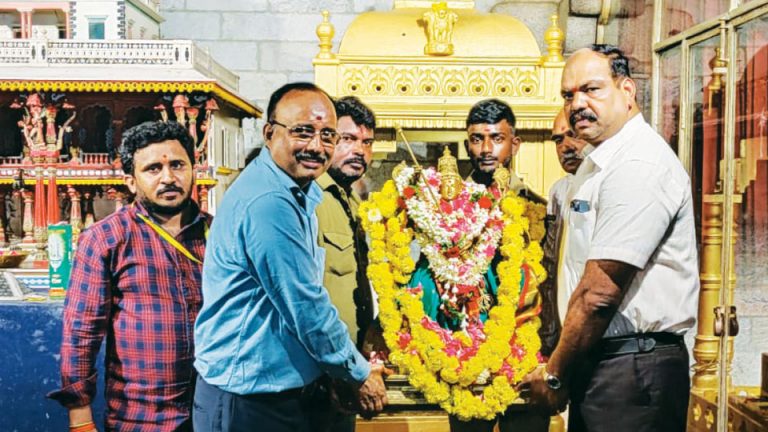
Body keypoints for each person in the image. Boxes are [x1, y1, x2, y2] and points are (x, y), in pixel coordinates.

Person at [519, 45, 699, 432]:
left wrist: (554, 374)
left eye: (592, 89)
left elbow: (599, 295)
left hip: (632, 369)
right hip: (602, 361)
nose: (577, 103)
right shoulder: (598, 164)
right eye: (568, 94)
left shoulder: (639, 164)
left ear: (627, 91)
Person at [193, 82, 388, 432]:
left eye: (328, 135)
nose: (316, 146)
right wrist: (358, 373)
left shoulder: (299, 192)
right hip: (249, 399)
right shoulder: (270, 201)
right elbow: (306, 305)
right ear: (270, 133)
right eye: (303, 132)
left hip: (280, 392)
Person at [48, 121, 210, 431]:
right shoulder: (106, 239)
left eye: (178, 165)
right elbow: (81, 332)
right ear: (131, 182)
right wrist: (80, 420)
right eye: (153, 169)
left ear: (193, 169)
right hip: (140, 418)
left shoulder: (218, 233)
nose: (168, 177)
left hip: (213, 412)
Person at [408, 99, 550, 432]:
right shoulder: (445, 207)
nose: (486, 148)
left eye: (496, 138)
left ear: (515, 143)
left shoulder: (535, 207)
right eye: (476, 138)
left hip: (524, 352)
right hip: (466, 355)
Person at [315, 95, 377, 432]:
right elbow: (307, 298)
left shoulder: (350, 200)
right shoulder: (311, 198)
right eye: (348, 139)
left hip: (349, 367)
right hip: (318, 376)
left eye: (367, 142)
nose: (360, 151)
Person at [539, 109, 587, 356]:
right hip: (560, 329)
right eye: (558, 140)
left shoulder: (604, 183)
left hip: (595, 329)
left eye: (573, 135)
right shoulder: (558, 191)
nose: (565, 146)